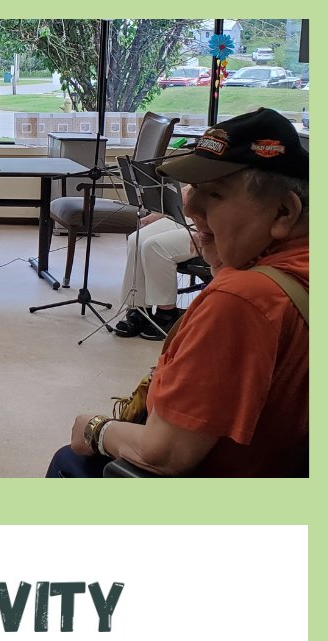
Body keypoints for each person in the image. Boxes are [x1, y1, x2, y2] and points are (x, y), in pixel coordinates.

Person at [47, 108, 308, 477]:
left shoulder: (242, 300)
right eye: (194, 188)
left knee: (70, 459)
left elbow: (164, 454)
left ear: (283, 211)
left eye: (214, 194)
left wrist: (96, 429)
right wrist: (222, 257)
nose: (189, 206)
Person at [112, 212, 198, 340]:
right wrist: (162, 213)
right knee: (135, 240)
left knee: (155, 246)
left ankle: (167, 312)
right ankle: (139, 308)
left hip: (214, 219)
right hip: (186, 215)